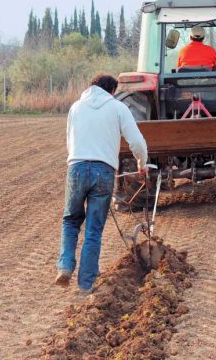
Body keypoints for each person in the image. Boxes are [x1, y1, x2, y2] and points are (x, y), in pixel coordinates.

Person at [55, 73, 148, 293]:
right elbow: (136, 141)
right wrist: (142, 163)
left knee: (70, 221)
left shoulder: (76, 107)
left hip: (76, 168)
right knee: (93, 230)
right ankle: (86, 284)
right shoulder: (117, 108)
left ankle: (65, 266)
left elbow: (70, 140)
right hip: (103, 171)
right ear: (112, 91)